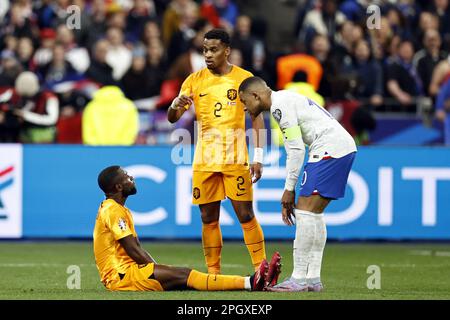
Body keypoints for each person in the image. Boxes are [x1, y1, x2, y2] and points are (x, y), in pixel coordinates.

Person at [238, 76, 357, 292]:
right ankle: (312, 279)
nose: (245, 109)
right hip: (341, 147)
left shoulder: (279, 107)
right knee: (314, 214)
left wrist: (288, 189)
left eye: (245, 102)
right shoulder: (284, 99)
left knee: (304, 211)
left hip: (329, 148)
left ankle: (299, 279)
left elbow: (295, 150)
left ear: (256, 96)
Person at [167, 29, 267, 275]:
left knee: (245, 214)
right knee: (208, 218)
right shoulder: (194, 80)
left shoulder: (244, 79)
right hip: (205, 161)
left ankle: (262, 270)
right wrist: (174, 106)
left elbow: (256, 120)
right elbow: (173, 118)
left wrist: (259, 157)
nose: (208, 55)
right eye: (205, 50)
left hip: (236, 159)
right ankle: (213, 273)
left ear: (227, 51)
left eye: (213, 50)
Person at [93, 165, 282, 292]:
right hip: (121, 277)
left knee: (182, 276)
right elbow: (133, 250)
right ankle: (251, 282)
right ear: (118, 186)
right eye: (126, 177)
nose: (131, 177)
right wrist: (156, 268)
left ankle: (253, 281)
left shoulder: (116, 209)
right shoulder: (112, 210)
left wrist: (157, 268)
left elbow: (136, 247)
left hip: (129, 272)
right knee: (184, 275)